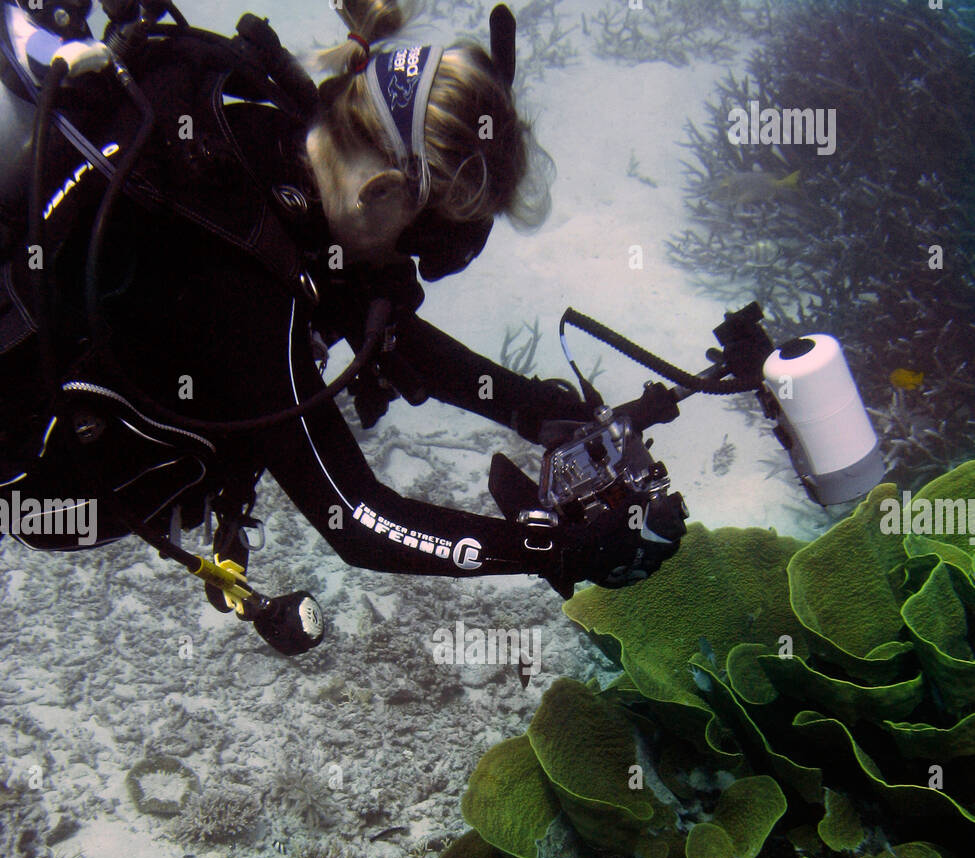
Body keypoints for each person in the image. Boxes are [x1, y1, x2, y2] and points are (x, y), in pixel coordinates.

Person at [0, 0, 685, 624]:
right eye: (413, 245)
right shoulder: (238, 281)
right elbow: (353, 516)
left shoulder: (272, 142)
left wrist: (535, 410)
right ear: (384, 189)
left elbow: (371, 318)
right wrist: (548, 551)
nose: (404, 270)